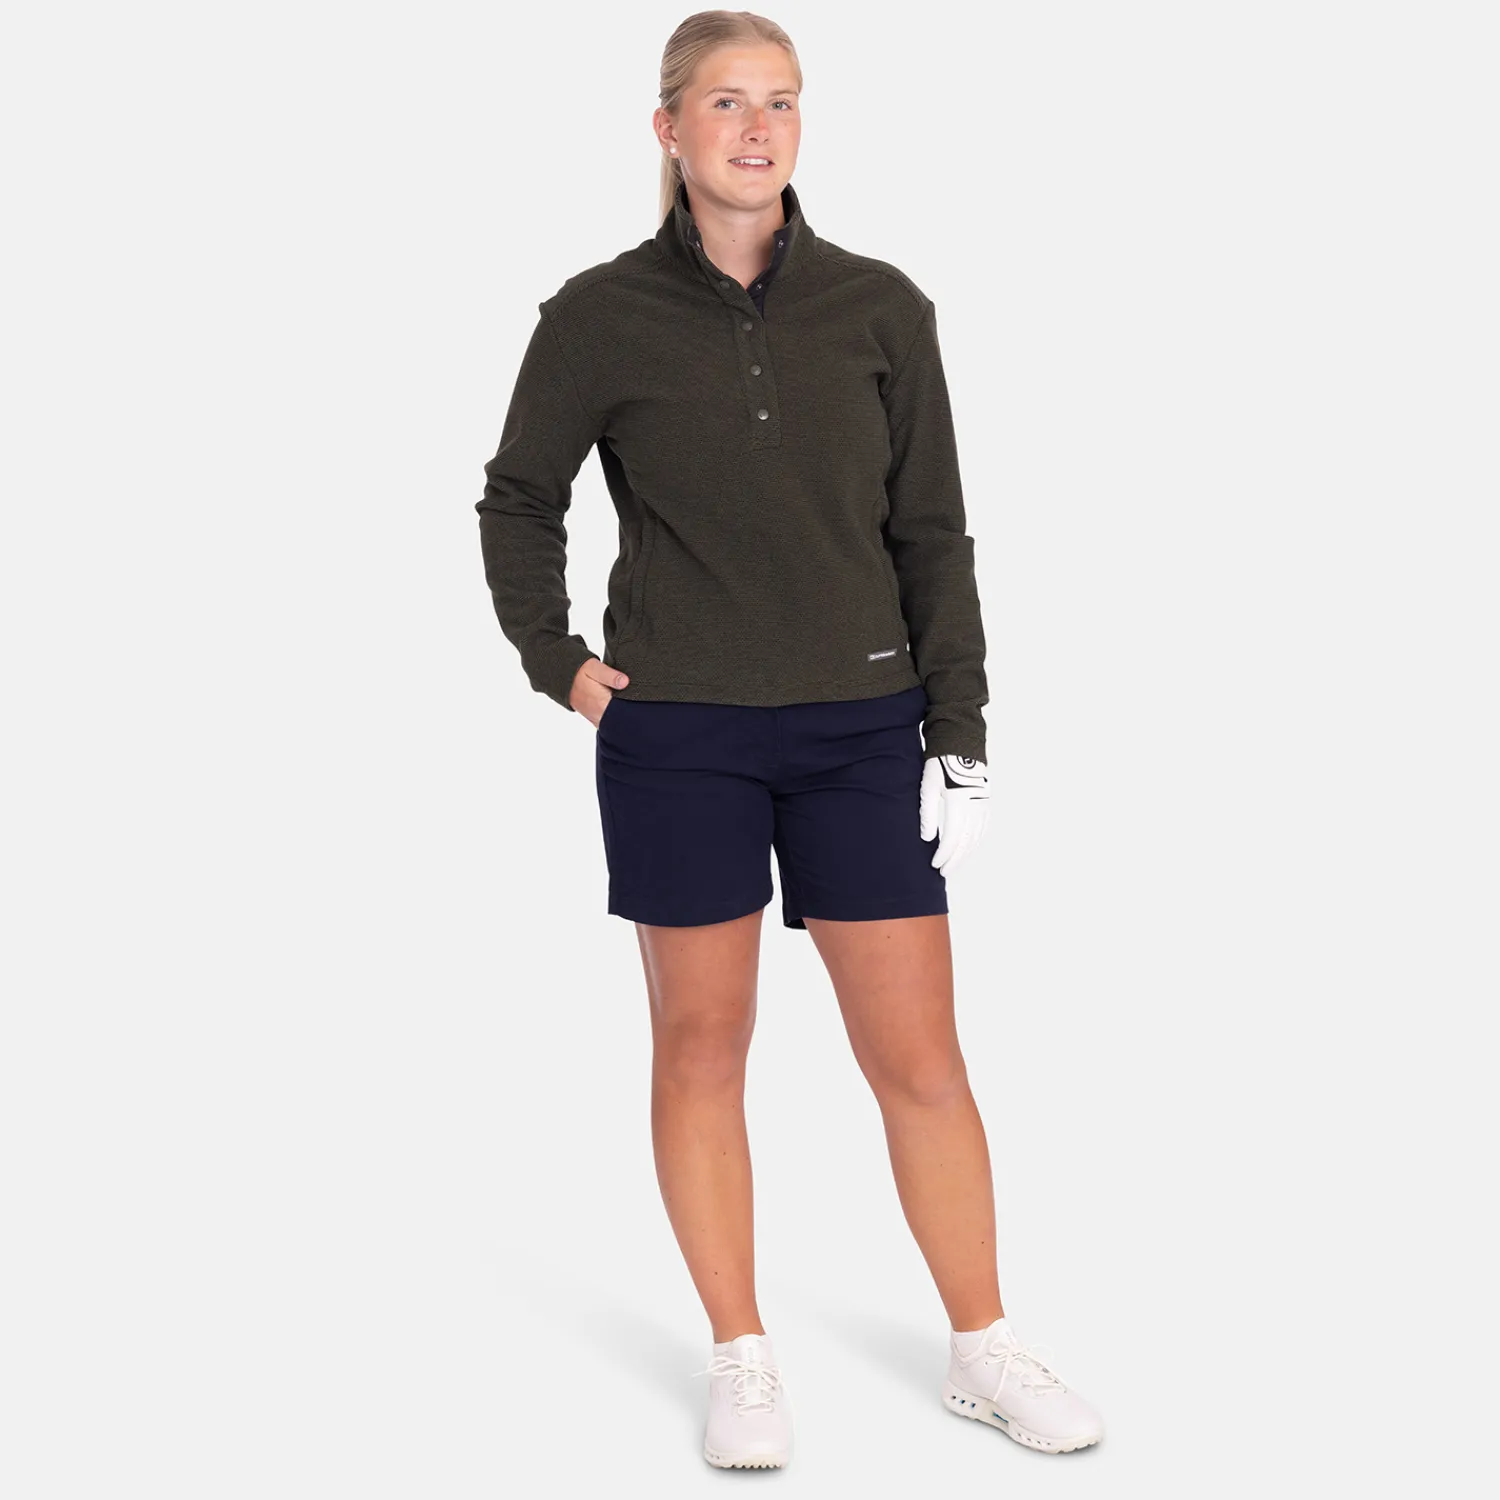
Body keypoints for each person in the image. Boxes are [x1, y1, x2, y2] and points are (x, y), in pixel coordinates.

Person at [476, 9, 1103, 1471]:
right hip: (678, 734)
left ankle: (984, 1345)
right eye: (725, 102)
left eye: (782, 101)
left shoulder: (882, 308)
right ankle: (742, 1356)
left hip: (863, 728)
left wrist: (960, 730)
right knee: (702, 1047)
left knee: (921, 1058)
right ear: (669, 129)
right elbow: (517, 498)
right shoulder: (596, 316)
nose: (757, 128)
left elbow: (932, 533)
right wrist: (559, 665)